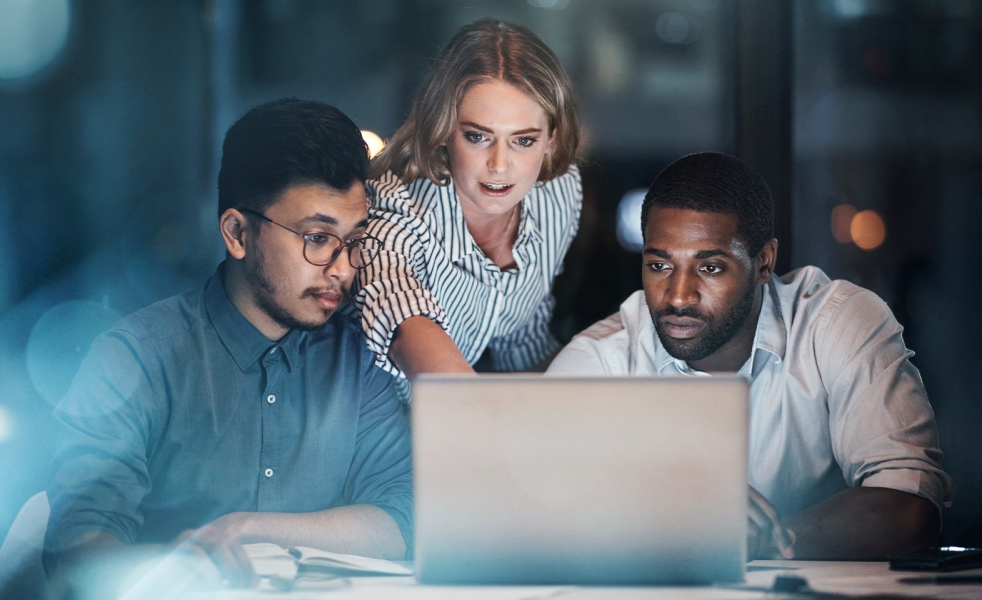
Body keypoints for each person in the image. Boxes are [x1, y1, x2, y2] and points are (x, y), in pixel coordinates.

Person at [43, 99, 412, 595]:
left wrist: (248, 530)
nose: (343, 268)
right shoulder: (138, 359)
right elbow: (77, 547)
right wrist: (177, 568)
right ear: (238, 233)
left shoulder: (359, 359)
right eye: (318, 238)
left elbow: (401, 518)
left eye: (354, 240)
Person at [548, 152, 953, 560]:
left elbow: (911, 510)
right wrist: (664, 515)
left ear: (763, 263)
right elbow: (534, 520)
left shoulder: (835, 325)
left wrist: (753, 541)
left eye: (709, 268)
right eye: (659, 265)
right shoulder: (597, 363)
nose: (678, 296)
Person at [355, 19, 583, 384]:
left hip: (463, 418)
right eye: (478, 136)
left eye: (523, 141)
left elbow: (522, 341)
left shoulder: (557, 192)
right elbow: (398, 314)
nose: (499, 165)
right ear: (444, 129)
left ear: (551, 140)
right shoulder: (395, 207)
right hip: (369, 427)